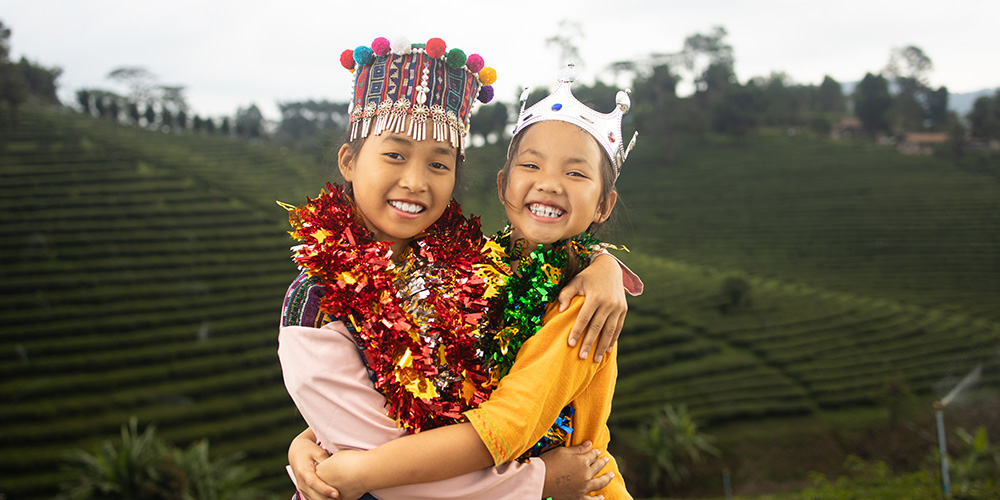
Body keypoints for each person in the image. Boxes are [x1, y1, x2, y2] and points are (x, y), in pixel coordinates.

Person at [277, 38, 640, 500]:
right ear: (348, 160)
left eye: (438, 163)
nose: (415, 180)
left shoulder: (467, 267)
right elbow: (372, 451)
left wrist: (602, 263)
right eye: (394, 153)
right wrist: (310, 439)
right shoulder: (316, 299)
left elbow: (480, 414)